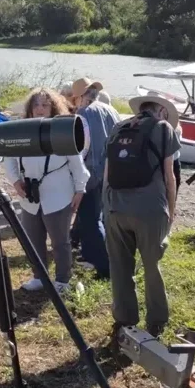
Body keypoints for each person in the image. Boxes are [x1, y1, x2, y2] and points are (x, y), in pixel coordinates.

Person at [104, 94, 180, 338]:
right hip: (149, 209)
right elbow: (170, 176)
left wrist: (107, 207)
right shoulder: (163, 128)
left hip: (116, 207)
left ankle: (125, 318)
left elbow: (107, 175)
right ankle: (156, 320)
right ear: (161, 111)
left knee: (119, 266)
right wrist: (171, 208)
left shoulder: (118, 128)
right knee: (151, 265)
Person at [5, 88, 90, 293]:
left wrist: (80, 189)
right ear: (30, 108)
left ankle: (63, 280)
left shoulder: (62, 131)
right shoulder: (21, 130)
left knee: (60, 241)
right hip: (30, 197)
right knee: (34, 240)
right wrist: (16, 182)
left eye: (44, 105)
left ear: (53, 107)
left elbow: (77, 165)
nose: (40, 109)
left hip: (59, 195)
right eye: (36, 105)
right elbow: (9, 158)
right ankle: (39, 277)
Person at [72, 78, 121, 279]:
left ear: (79, 97)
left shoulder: (83, 113)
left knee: (91, 220)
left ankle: (106, 267)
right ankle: (93, 256)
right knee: (99, 216)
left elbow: (81, 149)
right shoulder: (111, 110)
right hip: (112, 171)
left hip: (91, 173)